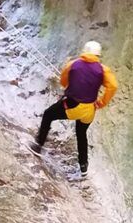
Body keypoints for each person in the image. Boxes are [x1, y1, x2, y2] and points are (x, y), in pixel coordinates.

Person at [31, 40, 118, 178]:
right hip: (90, 110)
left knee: (48, 114)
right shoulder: (103, 70)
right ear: (98, 55)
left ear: (84, 52)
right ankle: (83, 168)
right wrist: (101, 103)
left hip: (73, 106)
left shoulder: (73, 64)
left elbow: (63, 82)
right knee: (81, 134)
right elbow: (113, 86)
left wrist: (71, 85)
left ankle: (38, 146)